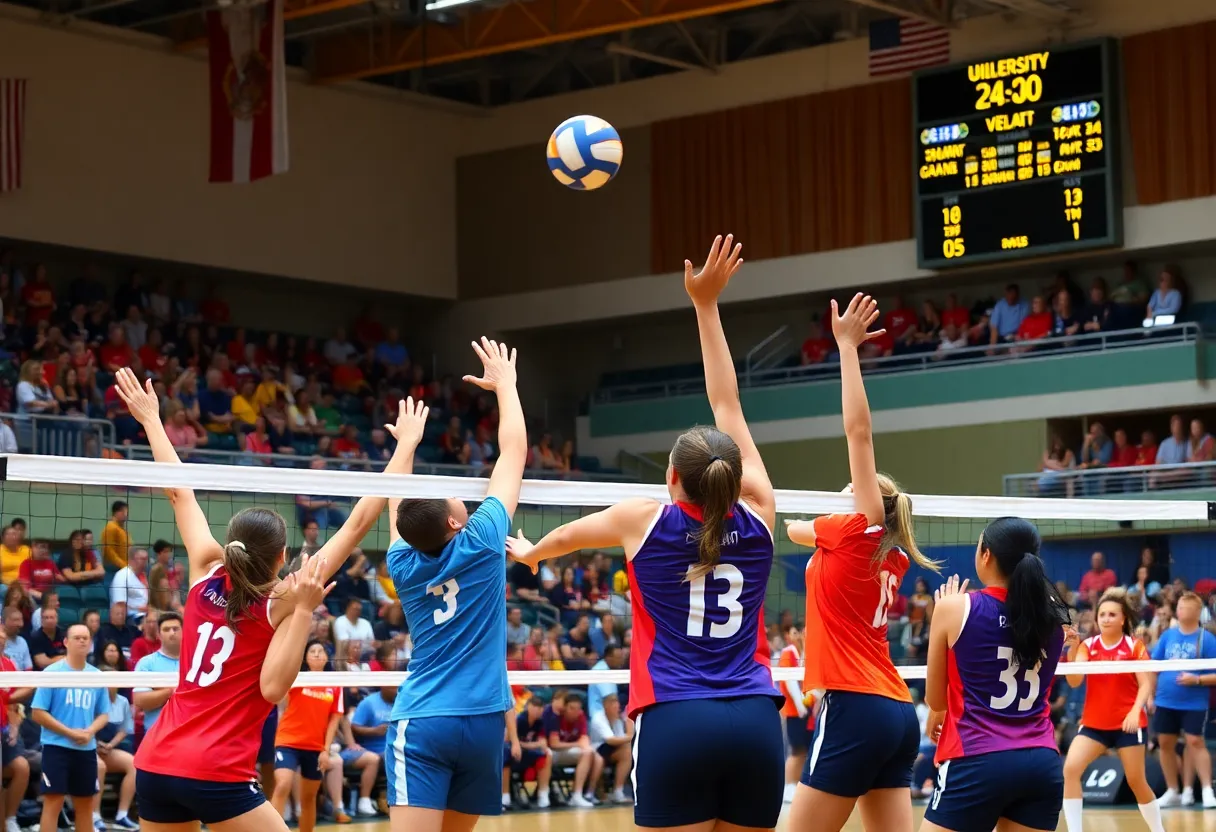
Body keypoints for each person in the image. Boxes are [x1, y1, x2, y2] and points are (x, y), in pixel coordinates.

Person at [510, 237, 784, 830]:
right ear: (733, 477)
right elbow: (727, 403)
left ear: (672, 477)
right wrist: (708, 307)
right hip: (757, 721)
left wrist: (532, 553)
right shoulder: (762, 514)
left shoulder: (643, 520)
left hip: (677, 717)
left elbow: (568, 538)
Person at [112, 366, 428, 832]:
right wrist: (405, 447)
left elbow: (179, 493)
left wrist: (152, 420)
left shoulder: (204, 570)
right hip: (215, 769)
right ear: (282, 556)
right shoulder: (283, 597)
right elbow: (360, 521)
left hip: (156, 763)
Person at [784, 294, 940, 832]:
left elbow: (858, 434)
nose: (843, 490)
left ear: (868, 498)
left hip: (855, 705)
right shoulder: (890, 554)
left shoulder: (853, 529)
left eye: (850, 487)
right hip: (896, 710)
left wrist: (846, 348)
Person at [381, 336, 528, 832]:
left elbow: (394, 504)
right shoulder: (483, 540)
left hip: (424, 720)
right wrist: (506, 386)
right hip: (484, 721)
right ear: (452, 522)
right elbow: (514, 452)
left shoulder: (402, 563)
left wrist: (405, 446)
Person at [918, 518, 1071, 832]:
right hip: (1041, 764)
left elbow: (935, 700)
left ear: (986, 555)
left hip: (977, 758)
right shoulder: (1053, 622)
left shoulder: (954, 608)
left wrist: (945, 614)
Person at [1061, 589, 1161, 832]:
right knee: (1070, 770)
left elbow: (1146, 684)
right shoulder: (1088, 646)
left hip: (1128, 724)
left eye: (1112, 614)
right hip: (1094, 724)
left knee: (1136, 781)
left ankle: (1159, 829)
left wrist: (1135, 711)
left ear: (1123, 619)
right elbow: (1074, 681)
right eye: (1102, 614)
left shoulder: (1134, 646)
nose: (1106, 619)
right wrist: (1072, 649)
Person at [31, 623, 110, 832]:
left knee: (85, 805)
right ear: (66, 642)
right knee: (53, 802)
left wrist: (90, 731)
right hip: (56, 748)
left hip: (86, 749)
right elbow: (38, 712)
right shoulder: (52, 672)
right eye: (77, 637)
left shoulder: (96, 676)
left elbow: (104, 713)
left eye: (86, 638)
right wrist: (69, 733)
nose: (82, 641)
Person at [270, 641, 344, 832]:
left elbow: (334, 720)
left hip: (315, 747)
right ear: (305, 658)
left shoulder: (335, 684)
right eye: (312, 651)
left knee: (309, 798)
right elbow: (280, 699)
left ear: (326, 657)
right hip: (288, 741)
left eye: (321, 651)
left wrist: (325, 750)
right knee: (283, 784)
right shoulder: (297, 677)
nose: (317, 654)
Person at [1152, 590, 1216, 808]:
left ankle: (1207, 790)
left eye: (1186, 608)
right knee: (1165, 743)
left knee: (1195, 741)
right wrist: (1150, 695)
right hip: (1165, 700)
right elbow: (1153, 666)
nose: (1181, 611)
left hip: (1194, 702)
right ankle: (1173, 790)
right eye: (1179, 607)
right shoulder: (1167, 636)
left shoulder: (1206, 639)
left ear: (1197, 612)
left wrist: (1197, 679)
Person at [132, 612, 184, 735]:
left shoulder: (196, 662)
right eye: (166, 629)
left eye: (175, 629)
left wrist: (158, 689)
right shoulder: (146, 663)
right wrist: (172, 691)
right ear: (159, 635)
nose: (172, 633)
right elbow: (140, 700)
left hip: (188, 733)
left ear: (184, 632)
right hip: (156, 734)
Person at [778, 622, 810, 804]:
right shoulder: (787, 652)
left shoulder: (803, 652)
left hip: (805, 710)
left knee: (803, 750)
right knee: (796, 750)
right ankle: (787, 786)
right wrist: (800, 705)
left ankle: (795, 785)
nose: (799, 635)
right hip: (793, 711)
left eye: (801, 632)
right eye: (795, 632)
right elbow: (789, 681)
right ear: (788, 635)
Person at [503, 696, 551, 810]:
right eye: (535, 707)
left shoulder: (540, 722)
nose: (538, 710)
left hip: (527, 752)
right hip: (512, 752)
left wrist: (525, 745)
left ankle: (543, 794)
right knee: (504, 755)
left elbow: (543, 743)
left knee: (546, 754)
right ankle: (504, 796)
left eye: (540, 708)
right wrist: (533, 745)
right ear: (528, 706)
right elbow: (507, 739)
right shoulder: (519, 720)